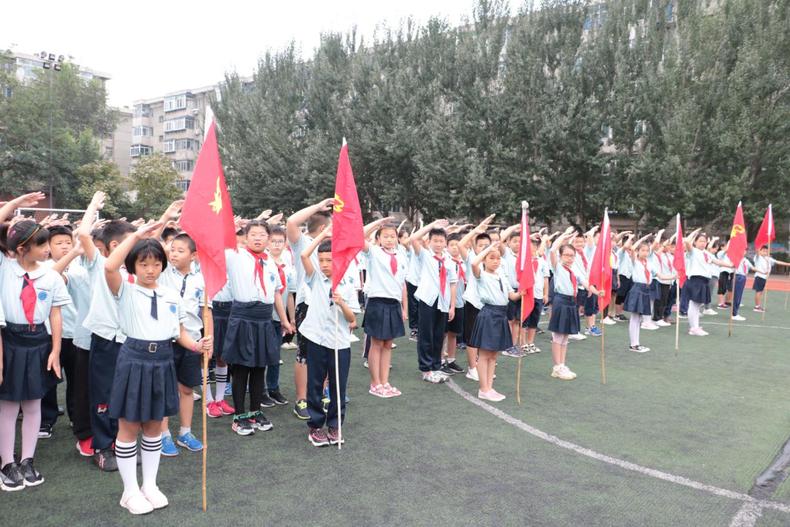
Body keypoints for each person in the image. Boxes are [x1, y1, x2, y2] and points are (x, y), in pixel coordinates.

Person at [104, 221, 212, 514]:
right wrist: (138, 236)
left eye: (155, 264)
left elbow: (179, 332)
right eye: (143, 264)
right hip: (134, 359)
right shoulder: (124, 289)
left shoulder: (169, 294)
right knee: (129, 426)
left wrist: (196, 345)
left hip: (163, 359)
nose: (150, 270)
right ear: (134, 266)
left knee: (154, 426)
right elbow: (110, 267)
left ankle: (149, 485)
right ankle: (129, 491)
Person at [0, 195, 71, 492]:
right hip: (9, 340)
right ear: (20, 250)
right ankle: (7, 462)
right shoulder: (4, 270)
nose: (47, 250)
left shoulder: (50, 276)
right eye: (42, 245)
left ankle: (27, 459)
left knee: (32, 402)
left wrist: (55, 350)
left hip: (38, 341)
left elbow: (55, 314)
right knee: (7, 405)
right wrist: (15, 203)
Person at [223, 221, 293, 436]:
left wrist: (284, 320)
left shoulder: (271, 262)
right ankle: (239, 416)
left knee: (259, 368)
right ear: (245, 236)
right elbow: (215, 242)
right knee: (242, 368)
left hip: (264, 319)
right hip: (243, 317)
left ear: (268, 238)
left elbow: (275, 295)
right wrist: (231, 224)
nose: (257, 238)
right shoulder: (235, 256)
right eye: (253, 234)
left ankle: (256, 411)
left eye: (262, 235)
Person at [298, 227, 355, 447]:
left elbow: (351, 318)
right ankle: (315, 426)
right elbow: (304, 255)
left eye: (329, 260)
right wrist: (323, 236)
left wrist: (341, 303)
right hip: (316, 339)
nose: (324, 264)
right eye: (321, 260)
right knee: (315, 383)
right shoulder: (315, 278)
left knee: (338, 385)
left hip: (339, 342)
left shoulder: (347, 283)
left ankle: (334, 424)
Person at [157, 233, 209, 455]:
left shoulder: (201, 278)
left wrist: (210, 338)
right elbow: (156, 245)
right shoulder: (163, 271)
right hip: (165, 339)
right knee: (165, 389)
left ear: (194, 255)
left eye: (180, 250)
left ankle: (185, 432)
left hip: (192, 340)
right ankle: (163, 435)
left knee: (187, 388)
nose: (174, 253)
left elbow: (206, 310)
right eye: (173, 249)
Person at [286, 199, 333, 420]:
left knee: (325, 350)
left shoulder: (331, 247)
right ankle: (301, 398)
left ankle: (322, 392)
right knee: (304, 354)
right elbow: (292, 221)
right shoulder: (302, 242)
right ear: (323, 228)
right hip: (307, 304)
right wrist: (319, 206)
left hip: (328, 303)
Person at [361, 218, 407, 398]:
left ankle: (385, 381)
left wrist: (404, 307)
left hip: (393, 303)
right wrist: (380, 222)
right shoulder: (373, 252)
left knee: (388, 344)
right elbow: (359, 236)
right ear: (378, 238)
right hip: (377, 301)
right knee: (377, 343)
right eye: (385, 236)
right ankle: (375, 383)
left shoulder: (401, 253)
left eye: (393, 236)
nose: (389, 240)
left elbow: (402, 282)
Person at [548, 229, 602, 380]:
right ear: (561, 256)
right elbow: (552, 250)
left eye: (572, 256)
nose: (570, 258)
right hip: (561, 301)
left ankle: (562, 365)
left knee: (565, 337)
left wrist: (598, 292)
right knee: (558, 336)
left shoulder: (574, 270)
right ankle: (557, 366)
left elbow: (585, 283)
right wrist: (563, 237)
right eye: (566, 255)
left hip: (571, 303)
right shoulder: (558, 267)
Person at [469, 242, 520, 401]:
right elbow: (473, 263)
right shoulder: (481, 275)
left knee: (493, 355)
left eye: (498, 258)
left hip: (501, 315)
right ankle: (483, 389)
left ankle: (489, 387)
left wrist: (523, 292)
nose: (496, 261)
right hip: (489, 314)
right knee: (484, 355)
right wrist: (487, 249)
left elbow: (511, 296)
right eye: (491, 258)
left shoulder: (501, 276)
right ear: (484, 259)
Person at [410, 219, 458, 384]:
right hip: (428, 300)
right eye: (435, 241)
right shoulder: (425, 255)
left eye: (441, 241)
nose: (438, 244)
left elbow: (453, 283)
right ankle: (426, 369)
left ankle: (436, 367)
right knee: (426, 335)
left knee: (439, 335)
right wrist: (433, 225)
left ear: (446, 242)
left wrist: (452, 306)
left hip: (443, 302)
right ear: (429, 242)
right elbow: (413, 239)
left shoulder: (449, 260)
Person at [265, 226, 295, 406]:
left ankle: (273, 388)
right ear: (268, 243)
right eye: (273, 241)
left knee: (275, 355)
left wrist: (291, 318)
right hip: (264, 316)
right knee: (263, 355)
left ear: (285, 244)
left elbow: (290, 294)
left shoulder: (288, 266)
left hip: (280, 317)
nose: (276, 245)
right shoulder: (264, 262)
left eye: (280, 241)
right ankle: (260, 391)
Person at [682, 230, 730, 336]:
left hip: (704, 281)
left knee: (697, 305)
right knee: (693, 305)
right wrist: (694, 232)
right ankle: (693, 328)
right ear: (695, 242)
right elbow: (687, 243)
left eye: (704, 241)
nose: (703, 243)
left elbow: (717, 262)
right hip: (695, 280)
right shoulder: (692, 251)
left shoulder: (707, 254)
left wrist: (731, 265)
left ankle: (695, 326)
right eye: (700, 241)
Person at [522, 234, 550, 353]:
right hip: (527, 294)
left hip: (538, 295)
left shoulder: (542, 261)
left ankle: (530, 342)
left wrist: (545, 294)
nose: (531, 248)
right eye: (529, 246)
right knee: (524, 320)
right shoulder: (523, 261)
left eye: (534, 246)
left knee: (534, 320)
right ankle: (522, 343)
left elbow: (545, 278)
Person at [443, 233, 466, 374]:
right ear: (447, 246)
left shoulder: (463, 262)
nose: (455, 248)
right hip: (445, 303)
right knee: (443, 333)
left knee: (453, 333)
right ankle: (440, 360)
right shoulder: (445, 261)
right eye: (452, 245)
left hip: (460, 303)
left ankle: (451, 360)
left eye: (458, 245)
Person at [753, 246, 790, 311]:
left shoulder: (768, 258)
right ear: (760, 251)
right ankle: (756, 307)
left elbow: (777, 262)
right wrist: (759, 245)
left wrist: (787, 264)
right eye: (763, 251)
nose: (765, 252)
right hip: (759, 277)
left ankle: (758, 306)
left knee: (760, 292)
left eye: (766, 251)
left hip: (764, 278)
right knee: (758, 292)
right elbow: (757, 251)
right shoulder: (757, 257)